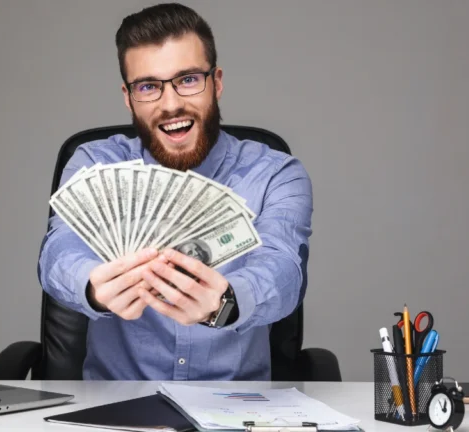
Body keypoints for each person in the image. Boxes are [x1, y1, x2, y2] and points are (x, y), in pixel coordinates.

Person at [38, 2, 313, 381]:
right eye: (148, 86)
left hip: (233, 410)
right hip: (116, 409)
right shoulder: (94, 164)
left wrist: (226, 302)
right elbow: (59, 250)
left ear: (216, 82)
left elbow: (283, 271)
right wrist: (92, 288)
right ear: (128, 97)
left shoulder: (276, 173)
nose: (171, 105)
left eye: (187, 80)